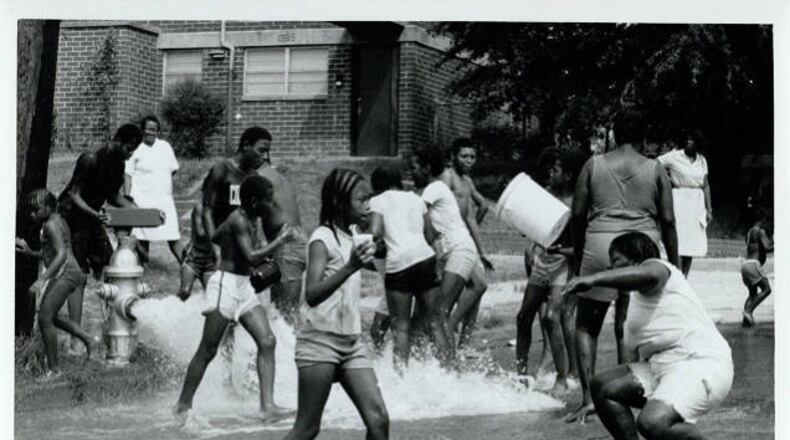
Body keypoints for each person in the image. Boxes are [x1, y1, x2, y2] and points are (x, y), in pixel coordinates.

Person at [567, 109, 679, 423]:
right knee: (633, 323)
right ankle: (635, 391)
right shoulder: (655, 168)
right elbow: (668, 220)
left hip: (601, 245)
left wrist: (580, 255)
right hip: (641, 247)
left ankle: (590, 398)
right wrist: (674, 262)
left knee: (586, 325)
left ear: (614, 134)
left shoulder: (593, 165)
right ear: (644, 136)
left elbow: (576, 215)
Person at [564, 232, 732, 440]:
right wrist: (604, 400)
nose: (609, 267)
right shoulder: (636, 303)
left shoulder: (662, 271)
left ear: (636, 261)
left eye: (615, 261)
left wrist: (593, 279)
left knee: (652, 423)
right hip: (662, 367)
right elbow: (630, 362)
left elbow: (649, 275)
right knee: (602, 386)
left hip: (699, 364)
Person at [174, 175, 296, 423]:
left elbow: (217, 236)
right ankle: (182, 405)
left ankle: (267, 406)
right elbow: (251, 257)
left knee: (268, 341)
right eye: (267, 201)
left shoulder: (249, 218)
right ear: (253, 201)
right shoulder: (239, 219)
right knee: (208, 350)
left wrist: (230, 243)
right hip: (226, 287)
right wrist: (281, 241)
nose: (271, 205)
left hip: (244, 288)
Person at [284, 169, 389, 440]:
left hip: (351, 343)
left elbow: (376, 262)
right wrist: (351, 266)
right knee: (307, 428)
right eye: (361, 200)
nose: (367, 205)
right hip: (319, 343)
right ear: (339, 203)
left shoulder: (352, 234)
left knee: (378, 421)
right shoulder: (322, 238)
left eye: (369, 199)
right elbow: (312, 293)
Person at [58, 123, 143, 353]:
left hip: (92, 217)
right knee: (78, 277)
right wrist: (97, 214)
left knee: (109, 266)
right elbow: (74, 196)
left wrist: (136, 209)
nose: (131, 154)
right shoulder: (91, 158)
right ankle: (75, 339)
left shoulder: (119, 163)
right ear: (119, 141)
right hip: (71, 216)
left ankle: (111, 328)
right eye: (129, 148)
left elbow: (113, 195)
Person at [368, 167, 454, 369]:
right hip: (425, 257)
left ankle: (401, 380)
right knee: (435, 322)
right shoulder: (415, 199)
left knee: (401, 327)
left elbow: (376, 232)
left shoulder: (378, 201)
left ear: (377, 185)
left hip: (399, 262)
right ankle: (448, 373)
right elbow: (431, 234)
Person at [516, 148, 585, 393]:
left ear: (567, 175)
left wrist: (559, 253)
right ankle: (521, 376)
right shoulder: (545, 196)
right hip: (542, 263)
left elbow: (580, 248)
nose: (550, 173)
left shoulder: (576, 204)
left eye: (555, 170)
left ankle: (562, 378)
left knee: (551, 317)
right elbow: (532, 229)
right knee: (523, 317)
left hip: (563, 265)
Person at [15, 189, 98, 378]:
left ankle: (54, 370)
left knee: (45, 318)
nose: (32, 214)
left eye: (36, 210)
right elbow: (51, 255)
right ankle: (88, 339)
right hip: (68, 270)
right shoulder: (55, 220)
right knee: (49, 315)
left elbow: (60, 256)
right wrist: (29, 251)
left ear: (48, 207)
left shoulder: (51, 225)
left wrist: (42, 279)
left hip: (66, 272)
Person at [410, 147, 487, 350]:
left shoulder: (434, 188)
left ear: (427, 168)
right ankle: (430, 362)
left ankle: (450, 368)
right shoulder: (431, 190)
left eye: (414, 168)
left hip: (459, 250)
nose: (411, 173)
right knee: (428, 314)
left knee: (439, 313)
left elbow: (413, 214)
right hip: (451, 251)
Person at [440, 139, 492, 348]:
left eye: (472, 156)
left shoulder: (467, 181)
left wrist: (482, 252)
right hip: (448, 240)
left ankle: (464, 344)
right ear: (454, 156)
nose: (469, 160)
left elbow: (473, 215)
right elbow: (436, 208)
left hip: (463, 239)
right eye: (464, 156)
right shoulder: (447, 177)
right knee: (478, 284)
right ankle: (449, 327)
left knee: (476, 291)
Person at [255, 128, 308, 324]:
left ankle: (294, 353)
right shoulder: (275, 174)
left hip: (287, 244)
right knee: (285, 312)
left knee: (285, 315)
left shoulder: (259, 177)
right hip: (297, 240)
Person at [123, 115, 184, 265]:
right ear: (142, 130)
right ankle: (143, 266)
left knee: (173, 235)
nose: (151, 133)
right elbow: (127, 175)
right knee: (142, 236)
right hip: (142, 200)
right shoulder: (135, 148)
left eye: (155, 130)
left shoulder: (165, 146)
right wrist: (128, 198)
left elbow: (173, 169)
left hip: (164, 199)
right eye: (148, 129)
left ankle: (187, 265)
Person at [658, 129, 713, 277]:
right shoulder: (674, 156)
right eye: (687, 139)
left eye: (692, 139)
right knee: (678, 240)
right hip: (679, 200)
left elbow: (706, 185)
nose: (689, 142)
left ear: (698, 142)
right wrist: (666, 181)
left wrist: (709, 209)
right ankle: (674, 275)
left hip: (696, 202)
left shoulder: (702, 161)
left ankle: (684, 278)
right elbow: (656, 164)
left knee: (691, 244)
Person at [176, 201, 216, 301]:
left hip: (211, 260)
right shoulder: (200, 207)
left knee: (212, 296)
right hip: (194, 257)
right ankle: (173, 310)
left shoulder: (222, 210)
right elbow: (201, 232)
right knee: (185, 292)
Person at [741, 208, 773, 327]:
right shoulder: (760, 231)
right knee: (767, 289)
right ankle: (748, 311)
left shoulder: (749, 232)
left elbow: (754, 247)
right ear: (762, 219)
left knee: (752, 294)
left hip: (745, 265)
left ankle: (745, 321)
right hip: (754, 265)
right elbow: (766, 248)